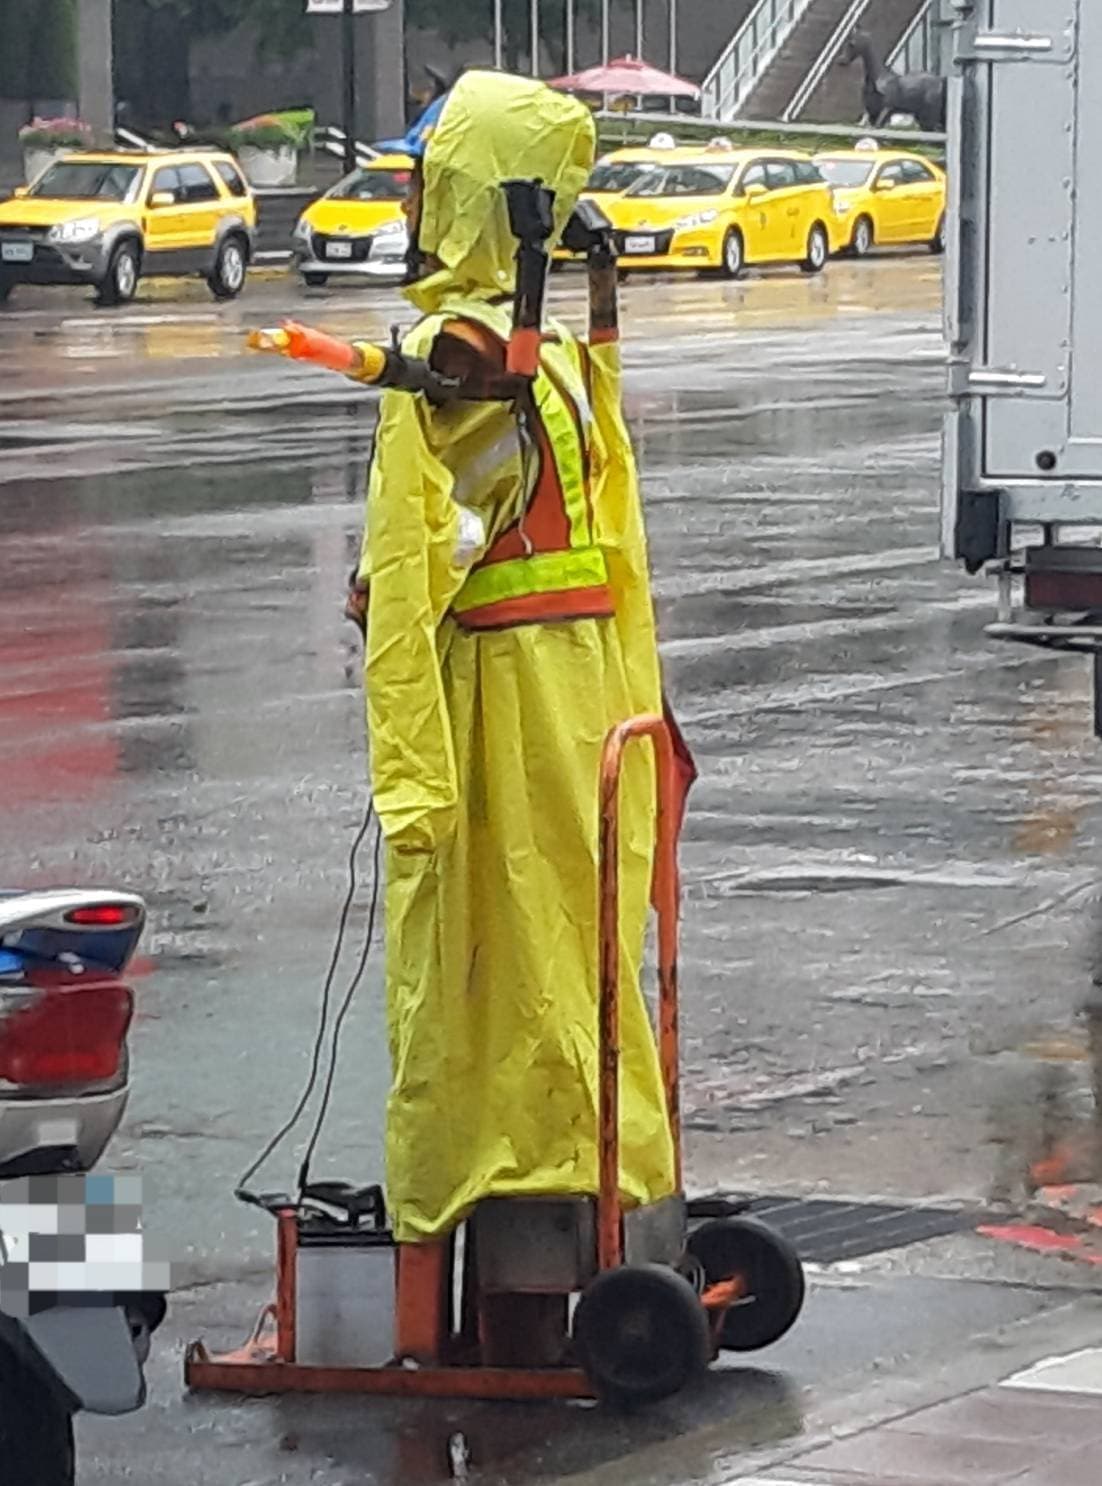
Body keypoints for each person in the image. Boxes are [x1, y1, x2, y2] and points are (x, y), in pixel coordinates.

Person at [356, 69, 681, 1246]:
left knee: (479, 975)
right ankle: (602, 1181)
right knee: (577, 956)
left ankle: (497, 1203)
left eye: (423, 182)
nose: (407, 206)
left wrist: (410, 780)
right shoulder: (540, 357)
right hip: (585, 699)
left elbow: (414, 567)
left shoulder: (456, 355)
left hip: (499, 710)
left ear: (464, 197)